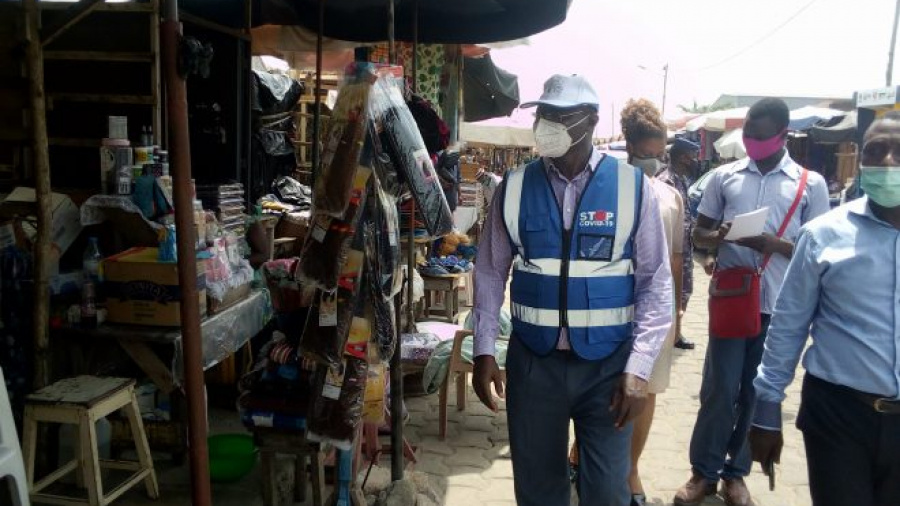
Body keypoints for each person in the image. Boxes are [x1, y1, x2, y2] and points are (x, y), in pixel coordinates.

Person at [471, 75, 673, 506]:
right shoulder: (515, 186)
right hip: (533, 365)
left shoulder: (631, 188)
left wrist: (639, 370)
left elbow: (655, 282)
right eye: (545, 114)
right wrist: (484, 350)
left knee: (605, 492)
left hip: (608, 368)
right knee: (539, 490)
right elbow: (489, 271)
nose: (549, 124)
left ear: (591, 121)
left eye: (563, 116)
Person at [673, 98, 830, 506]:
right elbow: (698, 235)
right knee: (719, 390)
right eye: (748, 136)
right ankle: (702, 473)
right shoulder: (724, 177)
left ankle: (735, 474)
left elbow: (818, 252)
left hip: (779, 306)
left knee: (756, 393)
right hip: (731, 298)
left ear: (783, 136)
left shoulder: (808, 184)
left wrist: (774, 245)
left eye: (761, 137)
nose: (753, 143)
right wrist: (720, 236)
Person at [750, 113, 900, 506]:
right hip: (839, 416)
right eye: (875, 152)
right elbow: (788, 324)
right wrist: (766, 408)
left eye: (898, 152)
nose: (887, 163)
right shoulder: (823, 234)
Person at [620, 99, 685, 506]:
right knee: (602, 387)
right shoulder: (604, 189)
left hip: (654, 312)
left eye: (657, 154)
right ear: (628, 146)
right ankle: (584, 455)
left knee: (644, 390)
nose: (651, 161)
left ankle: (630, 469)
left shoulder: (670, 196)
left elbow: (677, 258)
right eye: (644, 154)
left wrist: (675, 312)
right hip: (607, 307)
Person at [657, 137, 701, 350]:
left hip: (684, 250)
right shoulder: (666, 180)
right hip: (669, 251)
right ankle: (665, 335)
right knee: (670, 293)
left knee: (684, 291)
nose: (696, 160)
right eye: (693, 156)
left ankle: (676, 333)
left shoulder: (682, 180)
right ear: (684, 157)